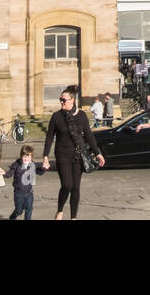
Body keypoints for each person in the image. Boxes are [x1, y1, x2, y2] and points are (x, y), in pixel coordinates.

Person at [42, 85, 104, 220]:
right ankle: (59, 210)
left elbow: (89, 136)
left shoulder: (82, 116)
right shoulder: (56, 116)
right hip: (62, 155)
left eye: (64, 100)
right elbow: (49, 137)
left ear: (72, 100)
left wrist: (97, 153)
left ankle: (73, 217)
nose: (61, 102)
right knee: (67, 185)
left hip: (78, 155)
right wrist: (45, 156)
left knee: (76, 187)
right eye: (60, 100)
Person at [5, 145, 40, 220]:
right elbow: (9, 174)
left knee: (29, 209)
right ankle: (12, 217)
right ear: (21, 156)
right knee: (19, 211)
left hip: (29, 193)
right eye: (24, 156)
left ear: (31, 158)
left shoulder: (32, 164)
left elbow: (41, 170)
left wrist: (45, 167)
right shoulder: (16, 164)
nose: (26, 159)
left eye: (29, 157)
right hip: (18, 193)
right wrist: (4, 173)